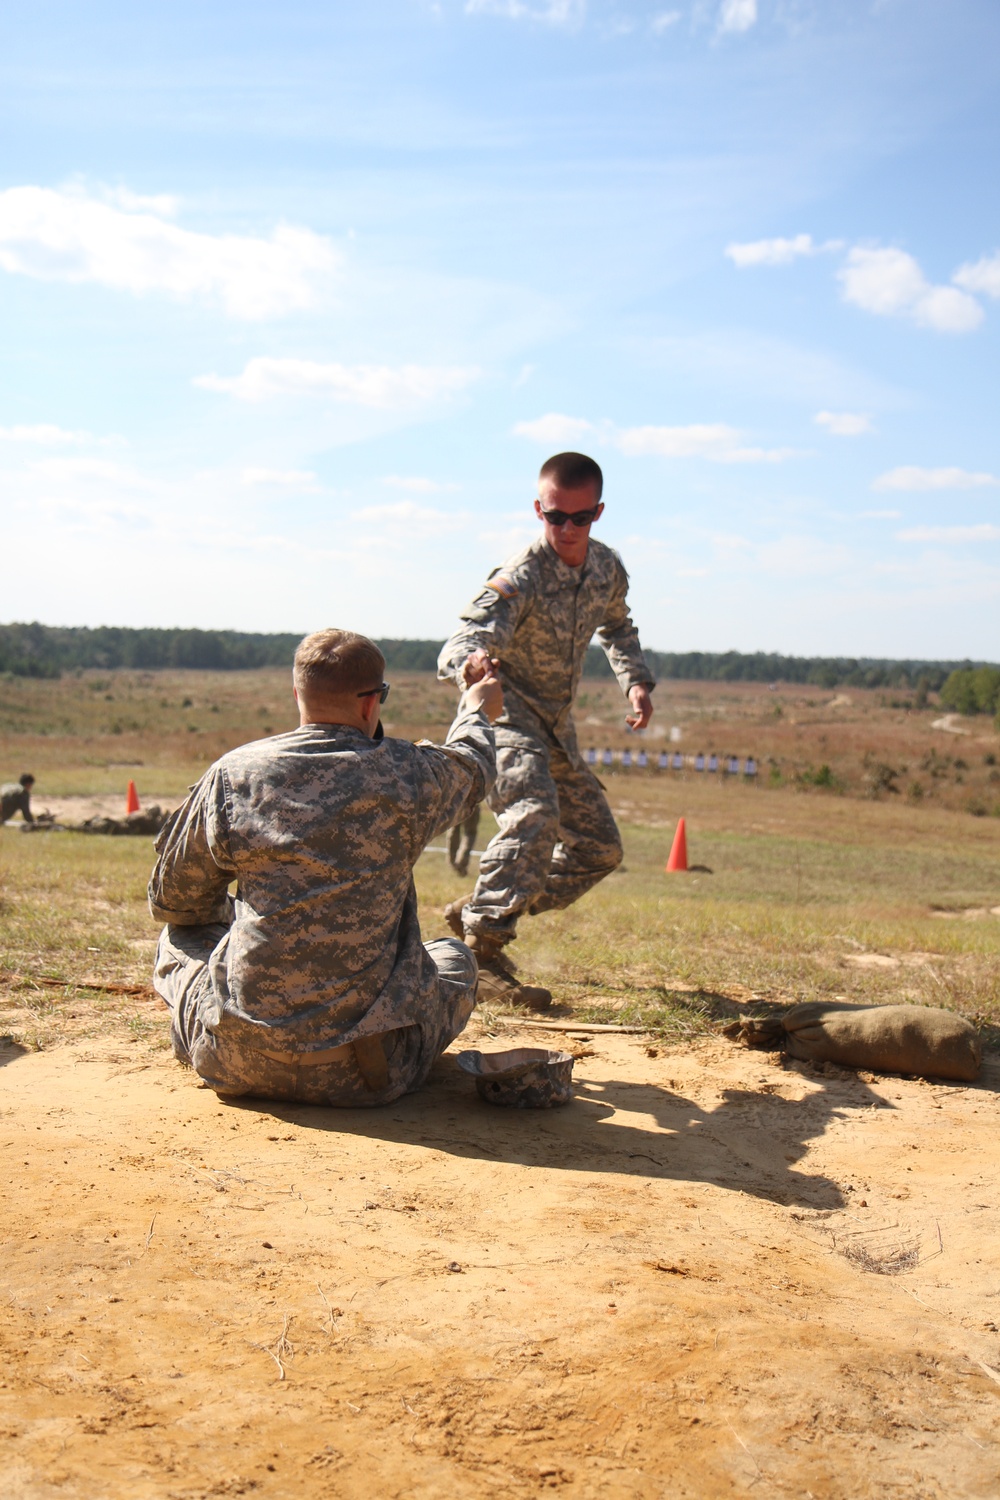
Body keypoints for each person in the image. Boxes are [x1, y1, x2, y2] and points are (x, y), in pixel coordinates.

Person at [148, 628, 500, 1106]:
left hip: (235, 1060)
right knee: (455, 960)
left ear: (297, 694)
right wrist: (475, 706)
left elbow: (175, 899)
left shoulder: (234, 774)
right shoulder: (409, 774)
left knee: (179, 936)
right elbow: (473, 766)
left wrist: (238, 920)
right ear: (371, 703)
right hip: (369, 1073)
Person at [437, 451, 655, 1009]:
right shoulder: (522, 576)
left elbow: (619, 628)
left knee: (599, 850)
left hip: (559, 729)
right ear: (540, 509)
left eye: (579, 518)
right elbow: (466, 638)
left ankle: (479, 909)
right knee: (533, 817)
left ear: (598, 513)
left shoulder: (606, 569)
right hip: (509, 718)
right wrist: (472, 665)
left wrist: (635, 682)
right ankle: (480, 955)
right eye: (555, 516)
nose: (566, 529)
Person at [447, 804, 481, 878]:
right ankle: (461, 862)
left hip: (457, 803)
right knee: (470, 833)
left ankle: (452, 860)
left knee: (454, 829)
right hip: (473, 803)